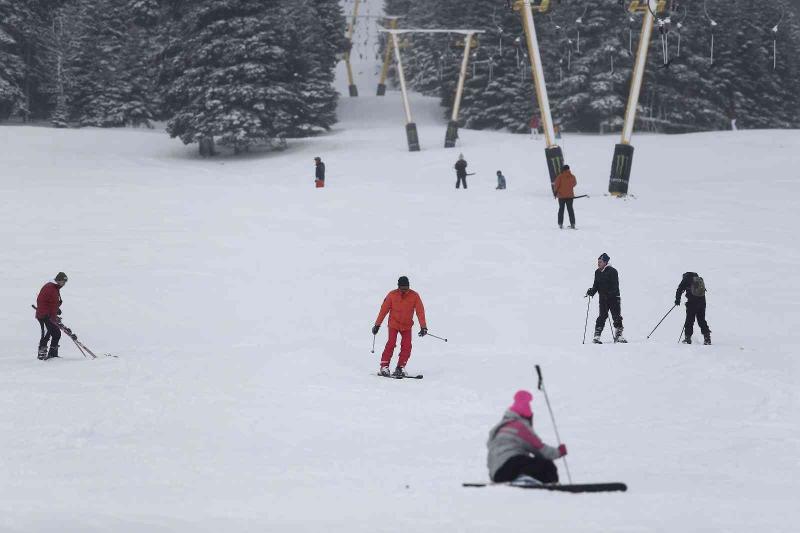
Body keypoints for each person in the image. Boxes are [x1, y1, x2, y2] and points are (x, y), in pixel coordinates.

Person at [487, 390, 567, 484]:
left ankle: (521, 479)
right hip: (511, 468)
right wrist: (559, 452)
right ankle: (535, 482)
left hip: (496, 474)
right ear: (527, 416)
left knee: (525, 461)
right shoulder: (521, 427)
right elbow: (541, 450)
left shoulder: (500, 427)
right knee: (547, 465)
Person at [372, 276, 427, 377]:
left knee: (407, 346)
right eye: (402, 289)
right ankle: (384, 366)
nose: (404, 291)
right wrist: (377, 325)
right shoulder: (392, 295)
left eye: (406, 288)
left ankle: (400, 367)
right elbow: (383, 311)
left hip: (407, 326)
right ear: (398, 287)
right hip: (394, 324)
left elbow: (420, 311)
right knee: (391, 343)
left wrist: (423, 327)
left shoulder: (414, 296)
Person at [586, 253, 627, 343]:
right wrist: (591, 291)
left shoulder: (613, 271)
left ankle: (619, 336)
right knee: (602, 316)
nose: (598, 264)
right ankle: (596, 336)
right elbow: (596, 285)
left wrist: (608, 294)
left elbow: (615, 286)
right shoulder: (597, 272)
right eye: (598, 262)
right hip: (603, 299)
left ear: (605, 262)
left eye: (600, 262)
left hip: (613, 298)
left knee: (616, 316)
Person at [35, 272, 68, 360]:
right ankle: (41, 354)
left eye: (65, 282)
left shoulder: (54, 287)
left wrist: (56, 309)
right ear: (58, 280)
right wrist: (48, 314)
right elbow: (41, 300)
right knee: (46, 334)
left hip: (49, 315)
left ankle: (53, 354)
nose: (64, 284)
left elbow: (52, 302)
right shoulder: (50, 288)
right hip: (44, 316)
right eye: (63, 281)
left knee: (56, 333)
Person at [675, 272, 711, 345]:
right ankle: (707, 338)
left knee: (689, 320)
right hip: (702, 302)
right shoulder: (699, 279)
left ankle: (687, 338)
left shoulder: (686, 279)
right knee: (701, 320)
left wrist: (677, 300)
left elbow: (680, 289)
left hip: (692, 303)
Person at [552, 164, 577, 229]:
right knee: (570, 210)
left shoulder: (560, 177)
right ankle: (573, 224)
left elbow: (556, 186)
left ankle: (560, 224)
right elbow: (574, 184)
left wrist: (555, 193)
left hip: (561, 196)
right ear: (569, 169)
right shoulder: (572, 176)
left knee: (561, 210)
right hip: (570, 196)